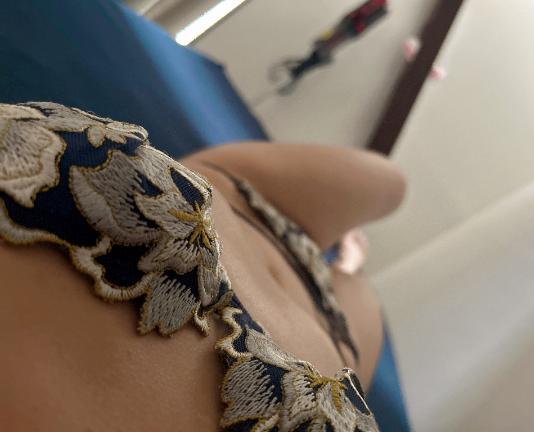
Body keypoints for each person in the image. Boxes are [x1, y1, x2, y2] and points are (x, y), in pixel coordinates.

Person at [0, 102, 406, 431]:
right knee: (356, 273)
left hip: (243, 202)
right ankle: (347, 262)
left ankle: (342, 259)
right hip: (333, 345)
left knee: (393, 185)